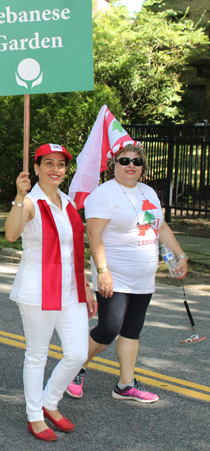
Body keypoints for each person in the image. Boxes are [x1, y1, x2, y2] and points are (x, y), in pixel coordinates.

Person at [67, 143, 188, 403]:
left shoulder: (149, 192)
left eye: (136, 161)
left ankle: (125, 385)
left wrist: (180, 255)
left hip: (143, 278)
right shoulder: (104, 194)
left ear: (143, 167)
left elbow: (161, 227)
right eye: (124, 161)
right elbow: (94, 234)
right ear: (114, 165)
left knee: (132, 330)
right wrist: (103, 272)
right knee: (108, 329)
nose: (131, 165)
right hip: (114, 275)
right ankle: (74, 368)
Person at [5, 144, 97, 442]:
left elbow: (74, 250)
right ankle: (34, 415)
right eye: (48, 163)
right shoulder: (31, 201)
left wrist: (86, 284)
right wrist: (19, 197)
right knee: (37, 355)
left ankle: (49, 401)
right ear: (36, 167)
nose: (55, 169)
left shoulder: (67, 202)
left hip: (70, 290)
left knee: (78, 353)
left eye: (60, 164)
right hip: (38, 290)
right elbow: (10, 233)